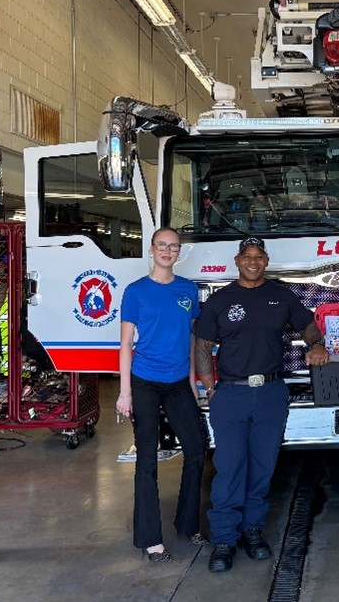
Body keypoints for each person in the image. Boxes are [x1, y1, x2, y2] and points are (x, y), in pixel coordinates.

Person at [195, 236, 329, 573]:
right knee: (230, 467)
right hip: (231, 394)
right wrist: (210, 388)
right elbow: (202, 345)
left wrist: (317, 345)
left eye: (258, 256)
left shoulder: (281, 296)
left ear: (266, 261)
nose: (252, 262)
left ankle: (252, 531)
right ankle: (224, 539)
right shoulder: (220, 300)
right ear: (237, 261)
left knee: (262, 467)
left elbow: (308, 325)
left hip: (270, 393)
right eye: (247, 256)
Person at [116, 227, 206, 562]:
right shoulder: (136, 291)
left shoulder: (188, 289)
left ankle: (187, 524)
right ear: (152, 250)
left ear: (179, 252)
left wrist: (193, 384)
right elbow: (126, 344)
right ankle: (150, 539)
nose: (168, 251)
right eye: (162, 246)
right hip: (145, 381)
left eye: (174, 247)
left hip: (179, 381)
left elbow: (191, 340)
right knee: (147, 458)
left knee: (196, 449)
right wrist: (125, 393)